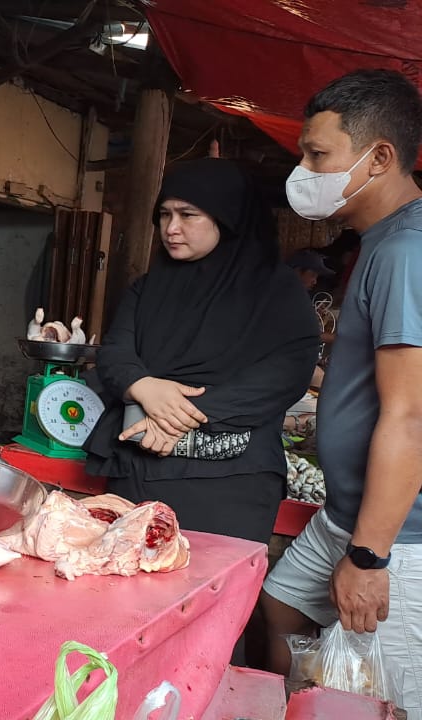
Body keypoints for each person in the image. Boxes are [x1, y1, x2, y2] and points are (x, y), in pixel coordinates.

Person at [262, 69, 422, 715]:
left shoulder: (408, 251)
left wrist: (370, 557)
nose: (303, 170)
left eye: (316, 155)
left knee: (386, 692)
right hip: (344, 512)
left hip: (398, 534)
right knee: (283, 604)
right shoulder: (378, 242)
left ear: (378, 158)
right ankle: (307, 705)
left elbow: (410, 416)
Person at [85, 158, 319, 545]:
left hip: (228, 483)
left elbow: (286, 372)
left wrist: (179, 416)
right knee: (128, 575)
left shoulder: (274, 292)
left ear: (227, 218)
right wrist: (143, 386)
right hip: (137, 469)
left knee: (208, 578)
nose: (171, 228)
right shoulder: (148, 289)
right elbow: (114, 352)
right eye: (164, 214)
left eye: (187, 215)